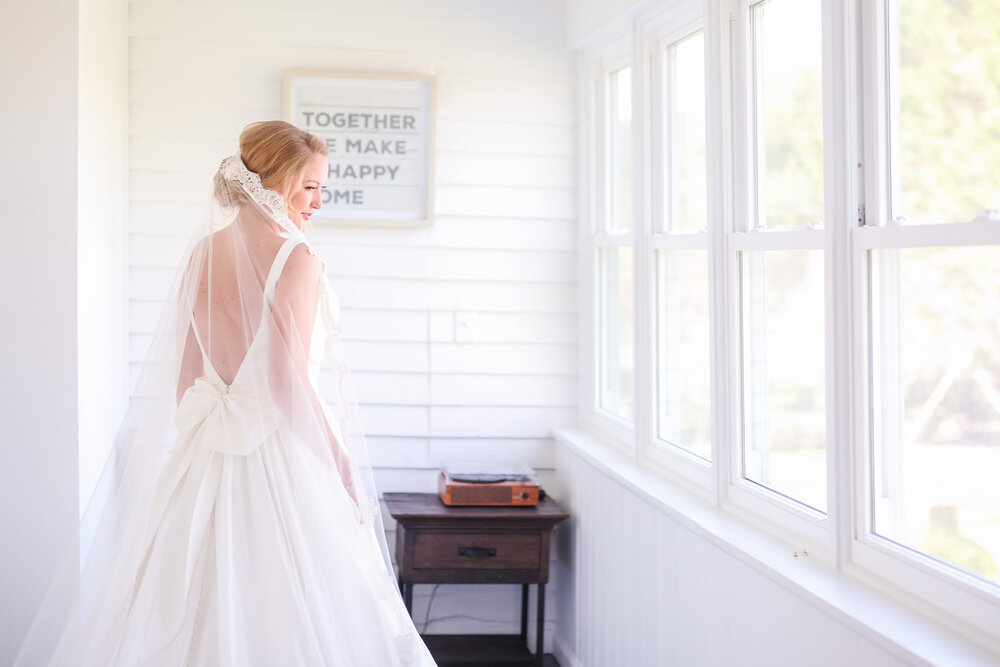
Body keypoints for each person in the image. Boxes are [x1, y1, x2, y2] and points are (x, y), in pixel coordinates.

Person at [15, 121, 437, 666]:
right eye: (310, 186)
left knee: (191, 601)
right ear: (278, 179)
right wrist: (339, 461)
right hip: (283, 455)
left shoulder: (203, 253)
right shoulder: (297, 258)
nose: (318, 202)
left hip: (204, 452)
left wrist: (206, 439)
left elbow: (186, 378)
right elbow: (287, 383)